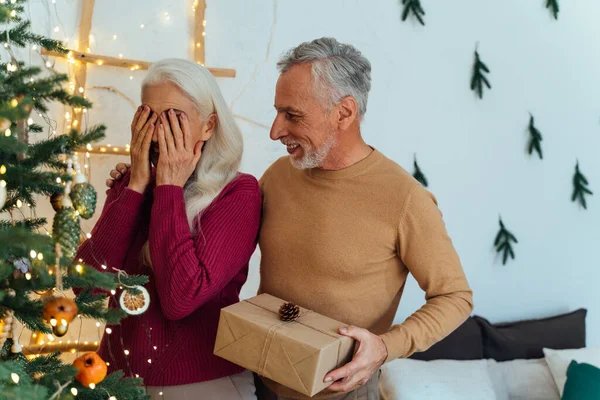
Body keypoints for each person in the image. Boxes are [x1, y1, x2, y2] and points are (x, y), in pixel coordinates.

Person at [107, 38, 474, 400]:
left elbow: (455, 296)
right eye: (277, 111)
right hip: (260, 379)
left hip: (341, 393)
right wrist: (142, 185)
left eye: (292, 115)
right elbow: (208, 219)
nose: (275, 130)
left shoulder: (406, 198)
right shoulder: (279, 176)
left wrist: (385, 346)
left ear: (344, 113)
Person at [79, 58, 260, 399]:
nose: (159, 132)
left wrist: (169, 188)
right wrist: (134, 187)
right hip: (114, 379)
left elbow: (181, 300)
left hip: (198, 383)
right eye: (148, 116)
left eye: (175, 118)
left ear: (208, 126)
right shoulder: (133, 183)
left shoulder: (238, 193)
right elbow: (86, 290)